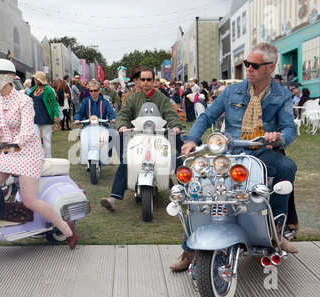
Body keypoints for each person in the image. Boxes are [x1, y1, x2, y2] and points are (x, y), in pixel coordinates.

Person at [171, 43, 298, 271]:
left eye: (255, 65)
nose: (248, 68)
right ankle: (189, 250)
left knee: (287, 167)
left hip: (261, 154)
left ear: (270, 67)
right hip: (228, 155)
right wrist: (192, 139)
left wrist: (278, 137)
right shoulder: (232, 91)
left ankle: (275, 229)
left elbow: (290, 128)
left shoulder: (282, 95)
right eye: (247, 64)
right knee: (200, 191)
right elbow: (207, 116)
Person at [0, 59, 77, 249]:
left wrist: (15, 143)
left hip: (28, 153)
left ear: (3, 78)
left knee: (29, 199)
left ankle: (66, 229)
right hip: (9, 153)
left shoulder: (24, 100)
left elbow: (27, 130)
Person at [100, 67, 183, 212]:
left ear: (153, 81)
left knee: (175, 157)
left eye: (148, 79)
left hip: (159, 135)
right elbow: (124, 113)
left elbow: (171, 113)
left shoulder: (162, 98)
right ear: (138, 81)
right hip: (136, 135)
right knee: (126, 160)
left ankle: (184, 192)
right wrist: (122, 126)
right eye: (143, 79)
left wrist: (175, 126)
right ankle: (113, 198)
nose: (145, 82)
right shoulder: (132, 98)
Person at [27, 71, 60, 158]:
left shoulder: (48, 90)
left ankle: (48, 158)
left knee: (46, 139)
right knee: (36, 138)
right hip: (35, 117)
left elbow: (54, 103)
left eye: (35, 78)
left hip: (46, 117)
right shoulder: (34, 88)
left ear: (38, 80)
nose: (34, 79)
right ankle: (38, 157)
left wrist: (56, 115)